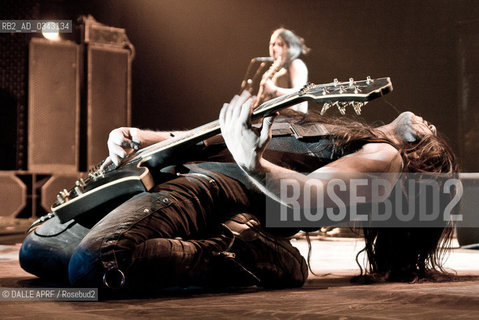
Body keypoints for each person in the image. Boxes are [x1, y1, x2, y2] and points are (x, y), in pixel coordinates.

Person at [19, 91, 458, 293]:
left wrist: (253, 164)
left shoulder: (385, 156)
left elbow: (312, 195)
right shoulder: (341, 127)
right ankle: (244, 247)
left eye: (432, 136)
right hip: (182, 171)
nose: (431, 123)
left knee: (97, 264)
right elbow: (210, 135)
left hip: (212, 188)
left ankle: (238, 247)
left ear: (422, 160)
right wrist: (141, 136)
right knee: (36, 250)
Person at [255, 28, 310, 113]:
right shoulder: (275, 69)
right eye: (272, 44)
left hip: (291, 121)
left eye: (280, 44)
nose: (274, 48)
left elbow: (301, 92)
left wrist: (273, 90)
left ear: (290, 47)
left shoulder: (296, 64)